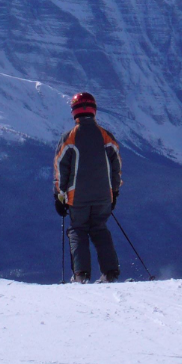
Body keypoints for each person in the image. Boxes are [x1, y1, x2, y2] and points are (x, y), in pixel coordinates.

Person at [54, 92, 123, 284]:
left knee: (78, 230)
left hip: (77, 197)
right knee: (100, 229)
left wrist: (59, 196)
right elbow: (116, 166)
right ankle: (110, 273)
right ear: (94, 111)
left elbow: (61, 169)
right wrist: (114, 192)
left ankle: (81, 276)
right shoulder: (106, 136)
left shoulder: (69, 138)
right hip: (104, 196)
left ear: (74, 112)